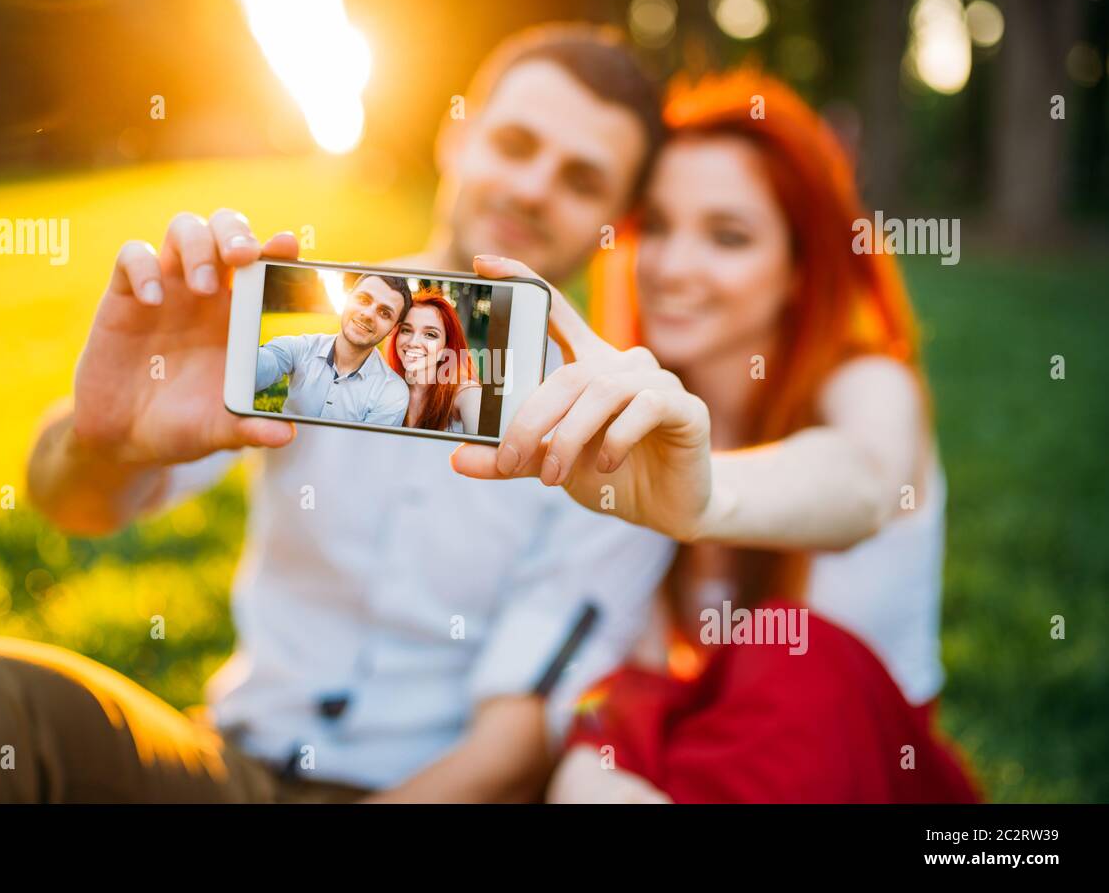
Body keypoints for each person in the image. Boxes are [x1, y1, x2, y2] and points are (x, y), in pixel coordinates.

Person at [0, 23, 673, 804]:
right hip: (233, 765)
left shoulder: (616, 433)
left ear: (614, 226)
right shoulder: (313, 319)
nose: (533, 188)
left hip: (425, 793)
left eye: (582, 179)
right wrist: (105, 440)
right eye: (516, 145)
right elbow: (73, 502)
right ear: (456, 137)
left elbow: (513, 742)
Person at [453, 69, 979, 803]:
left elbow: (860, 481)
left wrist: (704, 497)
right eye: (658, 227)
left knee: (789, 653)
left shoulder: (868, 385)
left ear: (800, 266)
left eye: (728, 236)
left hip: (853, 765)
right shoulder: (631, 418)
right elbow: (628, 690)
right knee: (599, 747)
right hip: (702, 768)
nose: (672, 267)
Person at [257, 273, 412, 426]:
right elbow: (264, 362)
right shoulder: (302, 347)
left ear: (393, 329)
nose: (368, 314)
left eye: (384, 313)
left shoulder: (392, 392)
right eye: (363, 299)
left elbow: (367, 449)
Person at [386, 287, 482, 433]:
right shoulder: (385, 389)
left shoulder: (467, 393)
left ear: (446, 347)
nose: (413, 342)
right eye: (406, 330)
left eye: (430, 334)